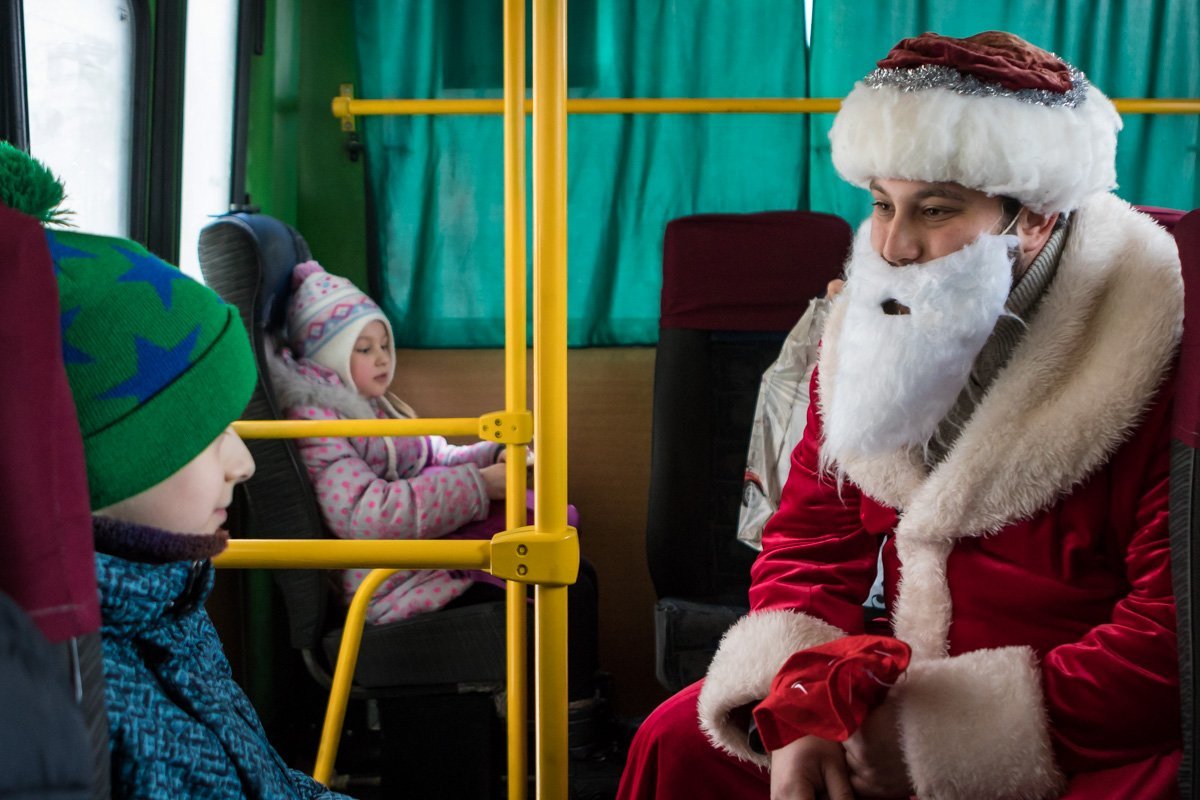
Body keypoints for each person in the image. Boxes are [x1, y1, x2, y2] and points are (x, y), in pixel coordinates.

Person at [619, 31, 1182, 800]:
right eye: (883, 204)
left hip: (1071, 719)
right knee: (678, 744)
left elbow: (1167, 639)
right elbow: (812, 537)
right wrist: (799, 707)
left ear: (1040, 217)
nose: (893, 244)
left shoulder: (1162, 335)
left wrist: (926, 743)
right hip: (888, 673)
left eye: (936, 210)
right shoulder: (872, 310)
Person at [2, 145, 352, 799]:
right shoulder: (86, 687)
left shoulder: (171, 599)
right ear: (103, 465)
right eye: (207, 433)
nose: (245, 463)